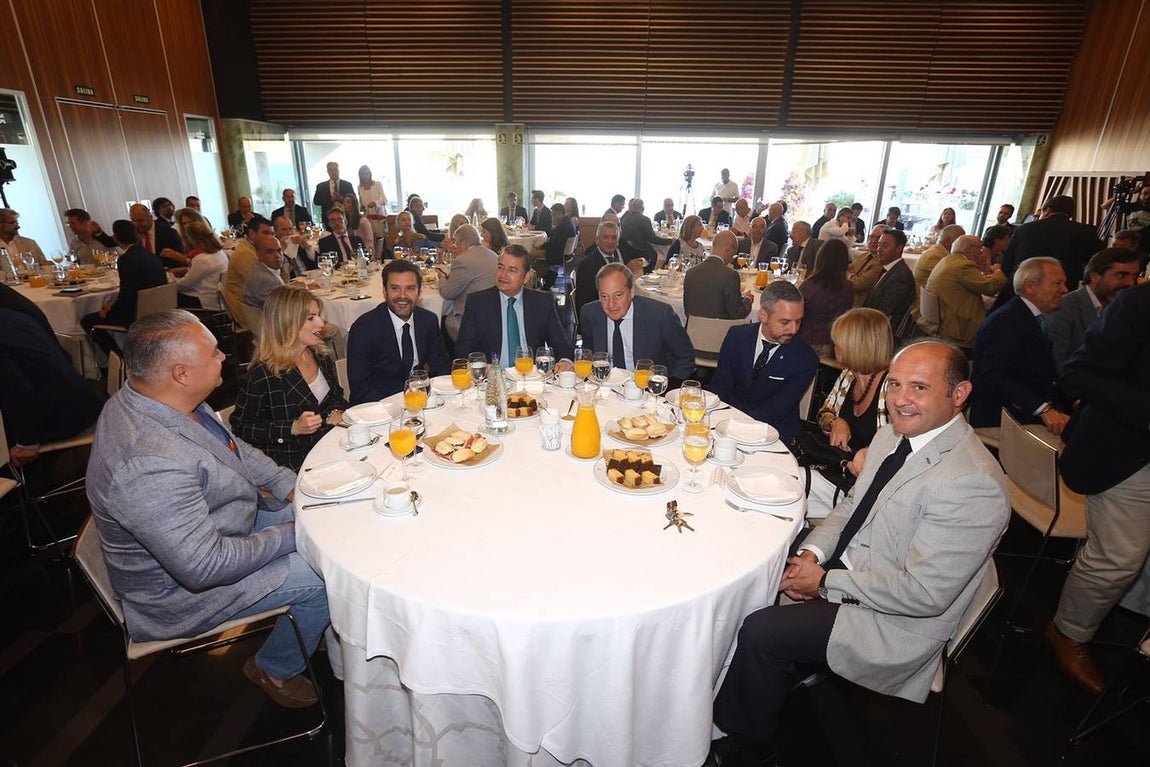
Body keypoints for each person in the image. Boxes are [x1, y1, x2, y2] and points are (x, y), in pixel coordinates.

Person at [706, 340, 1009, 767]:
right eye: (895, 384)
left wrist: (824, 582)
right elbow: (851, 508)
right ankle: (752, 680)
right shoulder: (893, 435)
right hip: (853, 568)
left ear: (958, 394)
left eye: (919, 387)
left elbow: (924, 594)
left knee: (761, 631)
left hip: (892, 619)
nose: (900, 399)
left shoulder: (972, 483)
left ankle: (749, 746)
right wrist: (812, 554)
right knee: (747, 550)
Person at [86, 310, 329, 709]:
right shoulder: (146, 462)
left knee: (329, 513)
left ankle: (311, 621)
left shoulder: (159, 396)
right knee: (326, 574)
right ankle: (274, 667)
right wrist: (296, 532)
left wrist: (290, 488)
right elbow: (205, 567)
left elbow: (234, 449)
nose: (224, 358)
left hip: (223, 526)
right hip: (180, 593)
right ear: (181, 373)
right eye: (214, 353)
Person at [1047, 281, 1150, 695]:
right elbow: (1078, 373)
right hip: (1130, 453)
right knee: (1118, 558)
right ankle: (1068, 632)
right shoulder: (1140, 302)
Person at [231, 286, 347, 472]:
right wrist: (292, 428)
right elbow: (241, 429)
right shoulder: (263, 375)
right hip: (293, 461)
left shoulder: (321, 356)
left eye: (318, 315)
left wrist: (336, 410)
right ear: (287, 323)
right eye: (311, 318)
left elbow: (336, 395)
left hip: (331, 444)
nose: (321, 323)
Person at [805, 308, 894, 519]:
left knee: (795, 482)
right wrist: (836, 421)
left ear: (856, 346)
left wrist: (869, 452)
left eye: (838, 342)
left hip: (865, 485)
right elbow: (824, 412)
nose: (834, 346)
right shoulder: (849, 375)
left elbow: (898, 445)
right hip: (837, 466)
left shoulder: (892, 388)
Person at [709, 280, 820, 447]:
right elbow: (720, 387)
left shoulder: (805, 358)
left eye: (798, 321)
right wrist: (728, 422)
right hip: (726, 423)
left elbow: (776, 410)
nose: (794, 329)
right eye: (785, 322)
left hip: (774, 434)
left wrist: (737, 421)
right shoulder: (737, 337)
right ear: (763, 315)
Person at [970, 257, 1069, 432]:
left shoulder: (1026, 315)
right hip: (1004, 419)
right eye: (1057, 283)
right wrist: (1043, 409)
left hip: (1027, 409)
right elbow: (994, 376)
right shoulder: (1005, 322)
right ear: (1030, 286)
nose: (1065, 289)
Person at [1, 306, 103, 468]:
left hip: (60, 416)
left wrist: (27, 442)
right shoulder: (13, 314)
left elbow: (17, 390)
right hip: (80, 400)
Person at [347, 260, 450, 404]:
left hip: (420, 401)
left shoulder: (428, 320)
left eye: (410, 288)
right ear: (384, 291)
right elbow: (360, 389)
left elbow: (442, 367)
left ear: (419, 292)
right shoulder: (363, 329)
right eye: (395, 288)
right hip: (378, 406)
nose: (403, 296)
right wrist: (398, 407)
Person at [456, 245, 573, 366]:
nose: (503, 275)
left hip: (530, 374)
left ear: (526, 277)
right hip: (493, 375)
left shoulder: (542, 302)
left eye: (512, 270)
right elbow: (463, 350)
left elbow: (561, 345)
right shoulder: (478, 303)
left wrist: (564, 362)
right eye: (500, 267)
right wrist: (480, 366)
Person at [579, 263, 694, 379]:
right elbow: (588, 356)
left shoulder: (660, 315)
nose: (611, 304)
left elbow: (686, 356)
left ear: (632, 292)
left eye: (618, 295)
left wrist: (668, 385)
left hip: (646, 384)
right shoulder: (590, 314)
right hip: (605, 384)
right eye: (604, 296)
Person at [80, 219, 168, 360]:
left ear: (115, 238)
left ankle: (119, 360)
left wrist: (109, 312)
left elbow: (127, 296)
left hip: (138, 314)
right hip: (159, 309)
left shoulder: (127, 259)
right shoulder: (149, 254)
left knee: (88, 320)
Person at [995, 194, 1103, 308]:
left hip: (1019, 294)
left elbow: (1006, 265)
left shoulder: (1024, 229)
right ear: (1071, 214)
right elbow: (1094, 267)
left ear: (1047, 210)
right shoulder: (1088, 233)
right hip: (1061, 298)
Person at [1046, 247, 1139, 375]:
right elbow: (1059, 365)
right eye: (1121, 275)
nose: (1130, 283)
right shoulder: (1064, 308)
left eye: (1134, 276)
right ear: (1094, 277)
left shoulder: (1127, 309)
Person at [924, 234, 1008, 350]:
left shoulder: (949, 259)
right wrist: (999, 271)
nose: (982, 252)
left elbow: (978, 281)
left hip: (943, 315)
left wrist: (984, 268)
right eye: (980, 248)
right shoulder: (963, 265)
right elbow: (990, 288)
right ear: (970, 249)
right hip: (957, 324)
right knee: (1002, 319)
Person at [439, 224, 497, 342]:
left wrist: (442, 279)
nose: (455, 248)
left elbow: (447, 293)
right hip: (494, 316)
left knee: (442, 320)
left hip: (470, 320)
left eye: (456, 244)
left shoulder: (462, 260)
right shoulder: (494, 255)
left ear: (464, 244)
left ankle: (456, 352)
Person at [797, 239, 853, 357]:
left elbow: (798, 314)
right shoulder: (848, 287)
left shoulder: (809, 286)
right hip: (834, 344)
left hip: (807, 340)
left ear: (820, 258)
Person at [574, 221, 636, 324]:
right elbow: (587, 301)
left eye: (614, 238)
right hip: (600, 317)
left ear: (618, 241)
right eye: (605, 237)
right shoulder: (587, 265)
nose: (610, 241)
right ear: (597, 240)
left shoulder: (617, 257)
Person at [683, 230, 752, 320]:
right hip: (720, 328)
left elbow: (687, 310)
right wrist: (748, 300)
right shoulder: (730, 275)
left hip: (693, 327)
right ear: (729, 249)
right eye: (733, 254)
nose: (731, 259)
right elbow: (737, 314)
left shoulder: (691, 273)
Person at [223, 217, 273, 325]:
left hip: (255, 304)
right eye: (266, 233)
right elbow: (266, 284)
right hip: (251, 313)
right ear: (252, 234)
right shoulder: (245, 253)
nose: (270, 237)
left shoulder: (253, 247)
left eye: (272, 234)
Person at [862, 228, 915, 322]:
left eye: (885, 246)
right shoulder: (889, 269)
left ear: (898, 249)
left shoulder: (900, 277)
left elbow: (885, 312)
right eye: (879, 245)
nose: (879, 249)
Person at [174, 223, 228, 310]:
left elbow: (185, 284)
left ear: (194, 239)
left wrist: (170, 283)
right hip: (219, 299)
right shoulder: (219, 253)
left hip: (206, 301)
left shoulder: (202, 259)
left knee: (171, 297)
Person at [130, 202, 186, 268]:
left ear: (150, 218)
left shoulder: (169, 233)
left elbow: (179, 258)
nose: (136, 224)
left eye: (140, 221)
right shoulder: (132, 234)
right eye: (133, 220)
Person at [620, 197, 671, 268]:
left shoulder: (624, 219)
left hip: (627, 252)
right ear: (643, 208)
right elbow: (652, 239)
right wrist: (670, 241)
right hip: (642, 250)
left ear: (632, 207)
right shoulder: (645, 220)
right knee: (662, 256)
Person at [242, 234, 286, 310]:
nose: (277, 256)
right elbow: (284, 308)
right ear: (259, 254)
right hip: (270, 316)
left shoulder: (259, 267)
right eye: (270, 252)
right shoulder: (264, 279)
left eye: (279, 251)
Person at [847, 225, 886, 306]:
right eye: (872, 237)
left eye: (878, 238)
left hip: (858, 305)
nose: (874, 241)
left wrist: (849, 275)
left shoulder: (881, 263)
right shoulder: (863, 256)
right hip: (845, 298)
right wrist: (852, 276)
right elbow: (843, 269)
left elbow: (857, 284)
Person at [542, 203, 577, 288]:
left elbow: (554, 244)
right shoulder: (567, 222)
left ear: (559, 213)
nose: (552, 217)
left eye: (553, 215)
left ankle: (540, 280)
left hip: (557, 255)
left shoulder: (563, 226)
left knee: (532, 254)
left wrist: (541, 246)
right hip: (566, 254)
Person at [356, 165, 388, 243]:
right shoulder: (359, 187)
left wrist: (375, 203)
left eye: (367, 173)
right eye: (363, 174)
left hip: (378, 216)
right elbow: (361, 202)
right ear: (360, 175)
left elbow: (385, 200)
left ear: (370, 174)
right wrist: (361, 207)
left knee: (380, 239)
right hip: (367, 216)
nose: (365, 176)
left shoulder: (377, 184)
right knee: (369, 238)